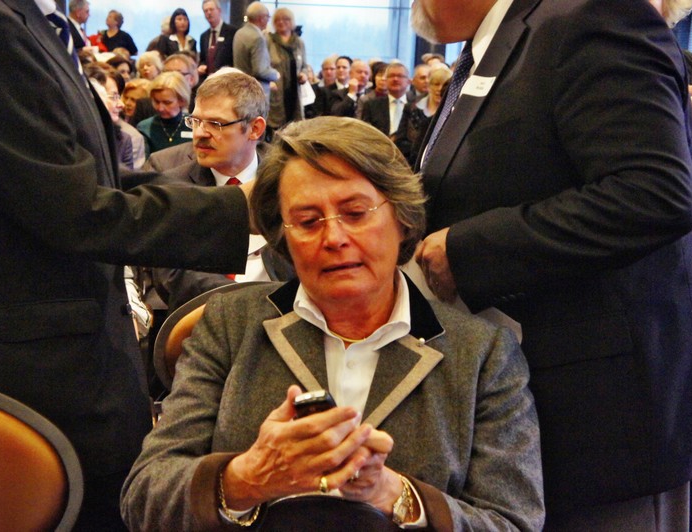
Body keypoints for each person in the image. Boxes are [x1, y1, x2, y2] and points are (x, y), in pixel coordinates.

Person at [0, 0, 252, 529]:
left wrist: (231, 203)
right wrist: (240, 208)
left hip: (30, 357)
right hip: (17, 368)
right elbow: (75, 211)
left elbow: (77, 175)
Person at [120, 116, 544, 531]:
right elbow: (144, 497)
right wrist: (246, 478)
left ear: (402, 219)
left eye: (356, 213)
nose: (334, 238)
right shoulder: (231, 325)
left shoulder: (482, 354)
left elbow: (513, 521)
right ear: (283, 237)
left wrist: (395, 496)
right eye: (307, 221)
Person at [411, 0, 692, 528]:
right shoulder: (488, 49)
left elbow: (653, 192)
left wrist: (469, 251)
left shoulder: (593, 17)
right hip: (521, 417)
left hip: (601, 429)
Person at [150, 70, 295, 314]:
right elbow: (172, 273)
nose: (199, 133)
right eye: (195, 121)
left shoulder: (286, 178)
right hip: (200, 315)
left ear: (255, 128)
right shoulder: (173, 183)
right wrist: (247, 302)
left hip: (282, 314)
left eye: (215, 124)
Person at [394, 65, 451, 166]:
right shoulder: (411, 108)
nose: (440, 89)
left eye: (444, 85)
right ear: (429, 86)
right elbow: (400, 140)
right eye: (436, 84)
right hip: (410, 163)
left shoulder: (451, 113)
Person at [267, 7, 308, 129]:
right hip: (276, 94)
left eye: (285, 19)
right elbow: (263, 66)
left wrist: (304, 75)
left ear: (292, 22)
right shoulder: (268, 41)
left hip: (294, 94)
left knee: (295, 127)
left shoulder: (299, 43)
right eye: (277, 20)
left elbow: (304, 66)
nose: (281, 22)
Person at [135, 72, 192, 155]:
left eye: (167, 102)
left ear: (182, 101)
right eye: (156, 102)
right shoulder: (145, 128)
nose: (160, 108)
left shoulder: (196, 125)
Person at [233, 1, 279, 100]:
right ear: (261, 18)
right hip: (257, 93)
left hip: (241, 89)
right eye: (267, 16)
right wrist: (276, 74)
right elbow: (260, 70)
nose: (268, 20)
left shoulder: (239, 33)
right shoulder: (258, 38)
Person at [360, 62, 411, 137]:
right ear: (386, 80)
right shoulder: (371, 105)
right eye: (391, 76)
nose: (395, 79)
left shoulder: (417, 106)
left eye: (400, 76)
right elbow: (365, 132)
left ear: (408, 81)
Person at [198, 0, 237, 78]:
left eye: (211, 9)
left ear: (219, 11)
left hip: (227, 79)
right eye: (206, 11)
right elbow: (203, 60)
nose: (209, 13)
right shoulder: (203, 36)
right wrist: (201, 66)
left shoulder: (232, 32)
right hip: (209, 80)